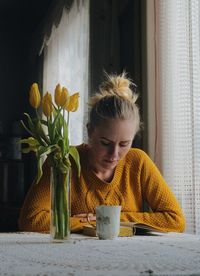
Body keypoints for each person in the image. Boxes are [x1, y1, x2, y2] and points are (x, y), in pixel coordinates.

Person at [18, 72, 185, 233]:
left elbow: (175, 220)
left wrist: (104, 218)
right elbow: (30, 219)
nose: (114, 154)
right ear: (90, 132)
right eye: (105, 143)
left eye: (124, 144)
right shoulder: (62, 160)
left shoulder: (138, 162)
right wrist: (90, 222)